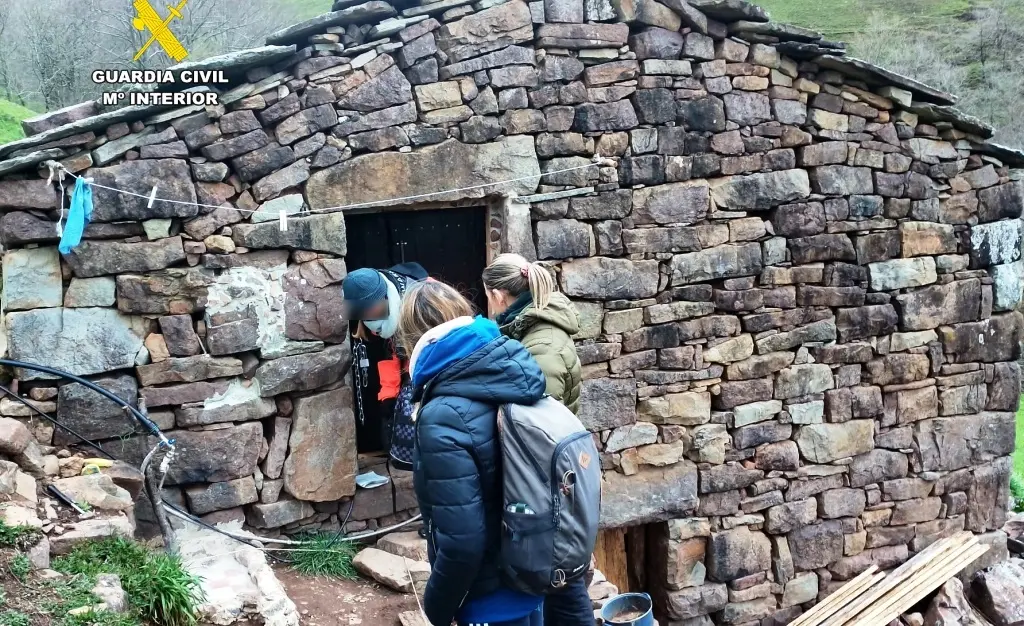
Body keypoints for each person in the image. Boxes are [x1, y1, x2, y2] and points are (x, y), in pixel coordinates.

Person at [400, 281, 546, 626]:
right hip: (529, 576)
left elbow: (463, 543)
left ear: (412, 340)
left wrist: (435, 609)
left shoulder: (441, 415)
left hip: (488, 599)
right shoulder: (514, 367)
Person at [482, 254, 592, 626]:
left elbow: (538, 423)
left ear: (498, 295)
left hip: (547, 478)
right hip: (547, 475)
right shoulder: (529, 328)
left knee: (561, 579)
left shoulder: (541, 344)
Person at [341, 262, 429, 471]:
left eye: (372, 312)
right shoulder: (376, 306)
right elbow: (390, 352)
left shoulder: (421, 299)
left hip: (428, 373)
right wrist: (388, 396)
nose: (370, 321)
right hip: (408, 371)